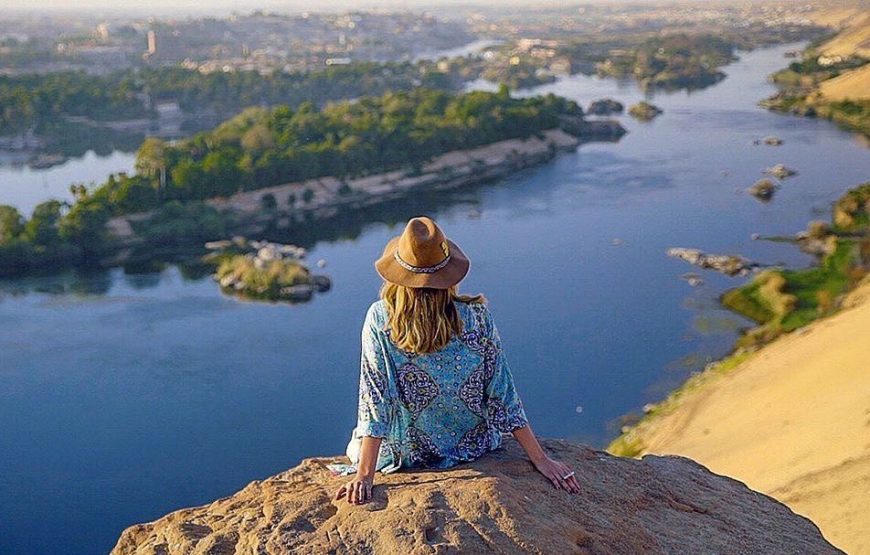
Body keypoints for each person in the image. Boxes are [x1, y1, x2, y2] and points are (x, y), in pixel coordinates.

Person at [335, 216, 580, 505]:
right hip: (473, 446)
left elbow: (375, 401)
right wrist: (540, 459)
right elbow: (502, 395)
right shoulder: (478, 317)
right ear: (449, 276)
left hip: (409, 454)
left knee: (356, 441)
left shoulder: (381, 319)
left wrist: (364, 475)